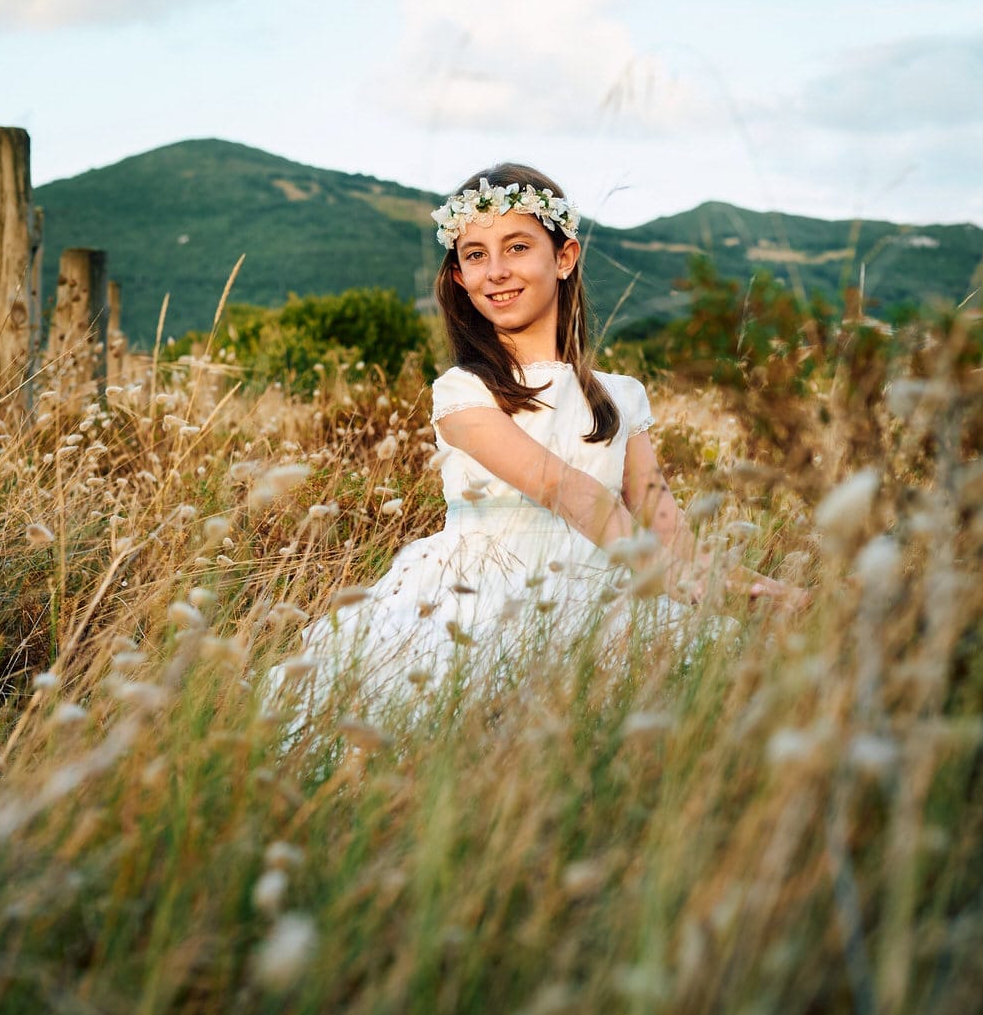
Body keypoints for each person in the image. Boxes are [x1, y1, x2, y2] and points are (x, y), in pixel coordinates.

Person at [269, 163, 805, 717]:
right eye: (475, 255)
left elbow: (664, 523)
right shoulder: (465, 390)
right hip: (478, 596)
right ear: (459, 276)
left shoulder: (622, 396)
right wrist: (682, 583)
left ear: (565, 258)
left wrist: (753, 587)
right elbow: (567, 490)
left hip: (606, 584)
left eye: (518, 247)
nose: (496, 271)